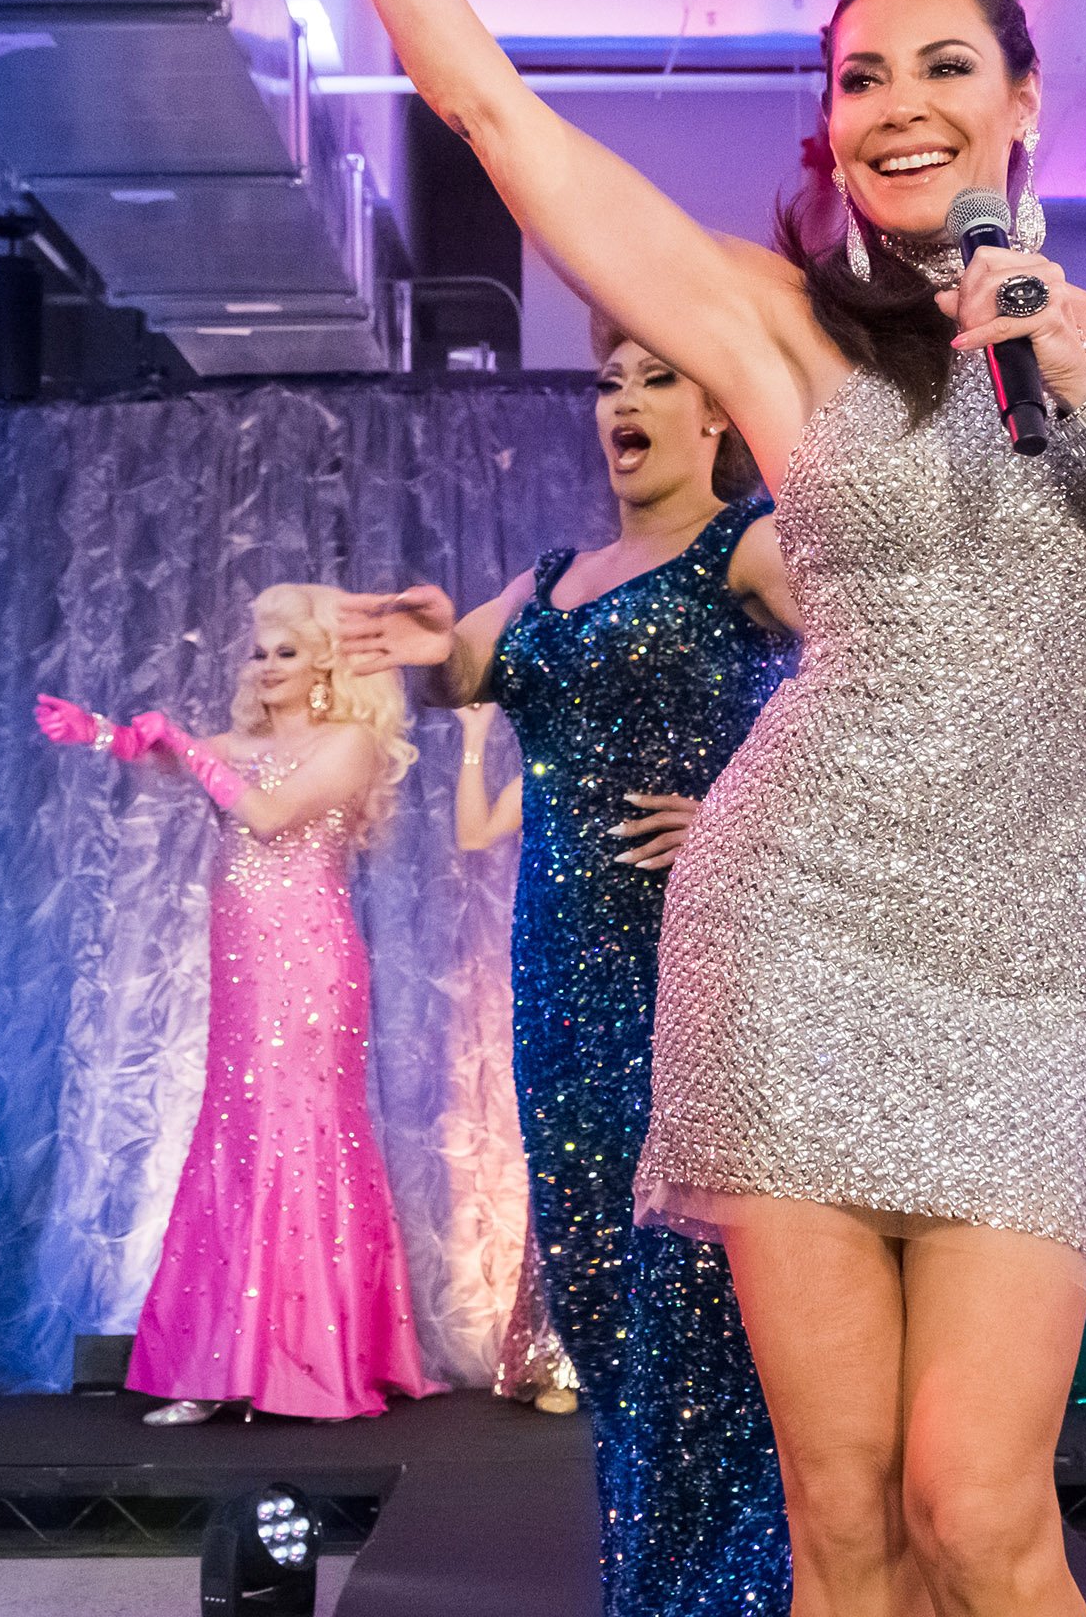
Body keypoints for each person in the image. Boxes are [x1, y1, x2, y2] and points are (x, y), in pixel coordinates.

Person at [258, 0, 1086, 1617]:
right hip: (793, 943)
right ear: (828, 129)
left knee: (979, 1513)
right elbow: (499, 118)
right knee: (838, 1520)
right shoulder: (775, 338)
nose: (895, 103)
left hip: (1020, 980)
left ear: (1019, 99)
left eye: (940, 66)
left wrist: (1072, 376)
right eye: (856, 78)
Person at [338, 329, 800, 1617]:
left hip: (702, 965)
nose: (626, 402)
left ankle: (740, 1589)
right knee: (597, 1286)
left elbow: (894, 685)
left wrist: (743, 809)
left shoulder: (746, 547)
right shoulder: (552, 575)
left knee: (702, 1297)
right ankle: (652, 1585)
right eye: (610, 382)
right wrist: (431, 640)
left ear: (717, 415)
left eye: (660, 376)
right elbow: (462, 672)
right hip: (558, 973)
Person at [33, 584, 436, 1423]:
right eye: (259, 650)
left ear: (324, 661)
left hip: (312, 967)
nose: (266, 665)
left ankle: (309, 1361)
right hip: (245, 966)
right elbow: (166, 753)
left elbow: (265, 811)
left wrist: (189, 747)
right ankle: (218, 1367)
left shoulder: (350, 743)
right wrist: (104, 734)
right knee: (237, 1133)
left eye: (285, 650)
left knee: (302, 1133)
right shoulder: (245, 741)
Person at [451, 699, 581, 1417]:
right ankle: (556, 1358)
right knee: (569, 1160)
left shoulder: (650, 765)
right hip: (560, 974)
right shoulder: (546, 773)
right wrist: (474, 742)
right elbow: (475, 831)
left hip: (653, 973)